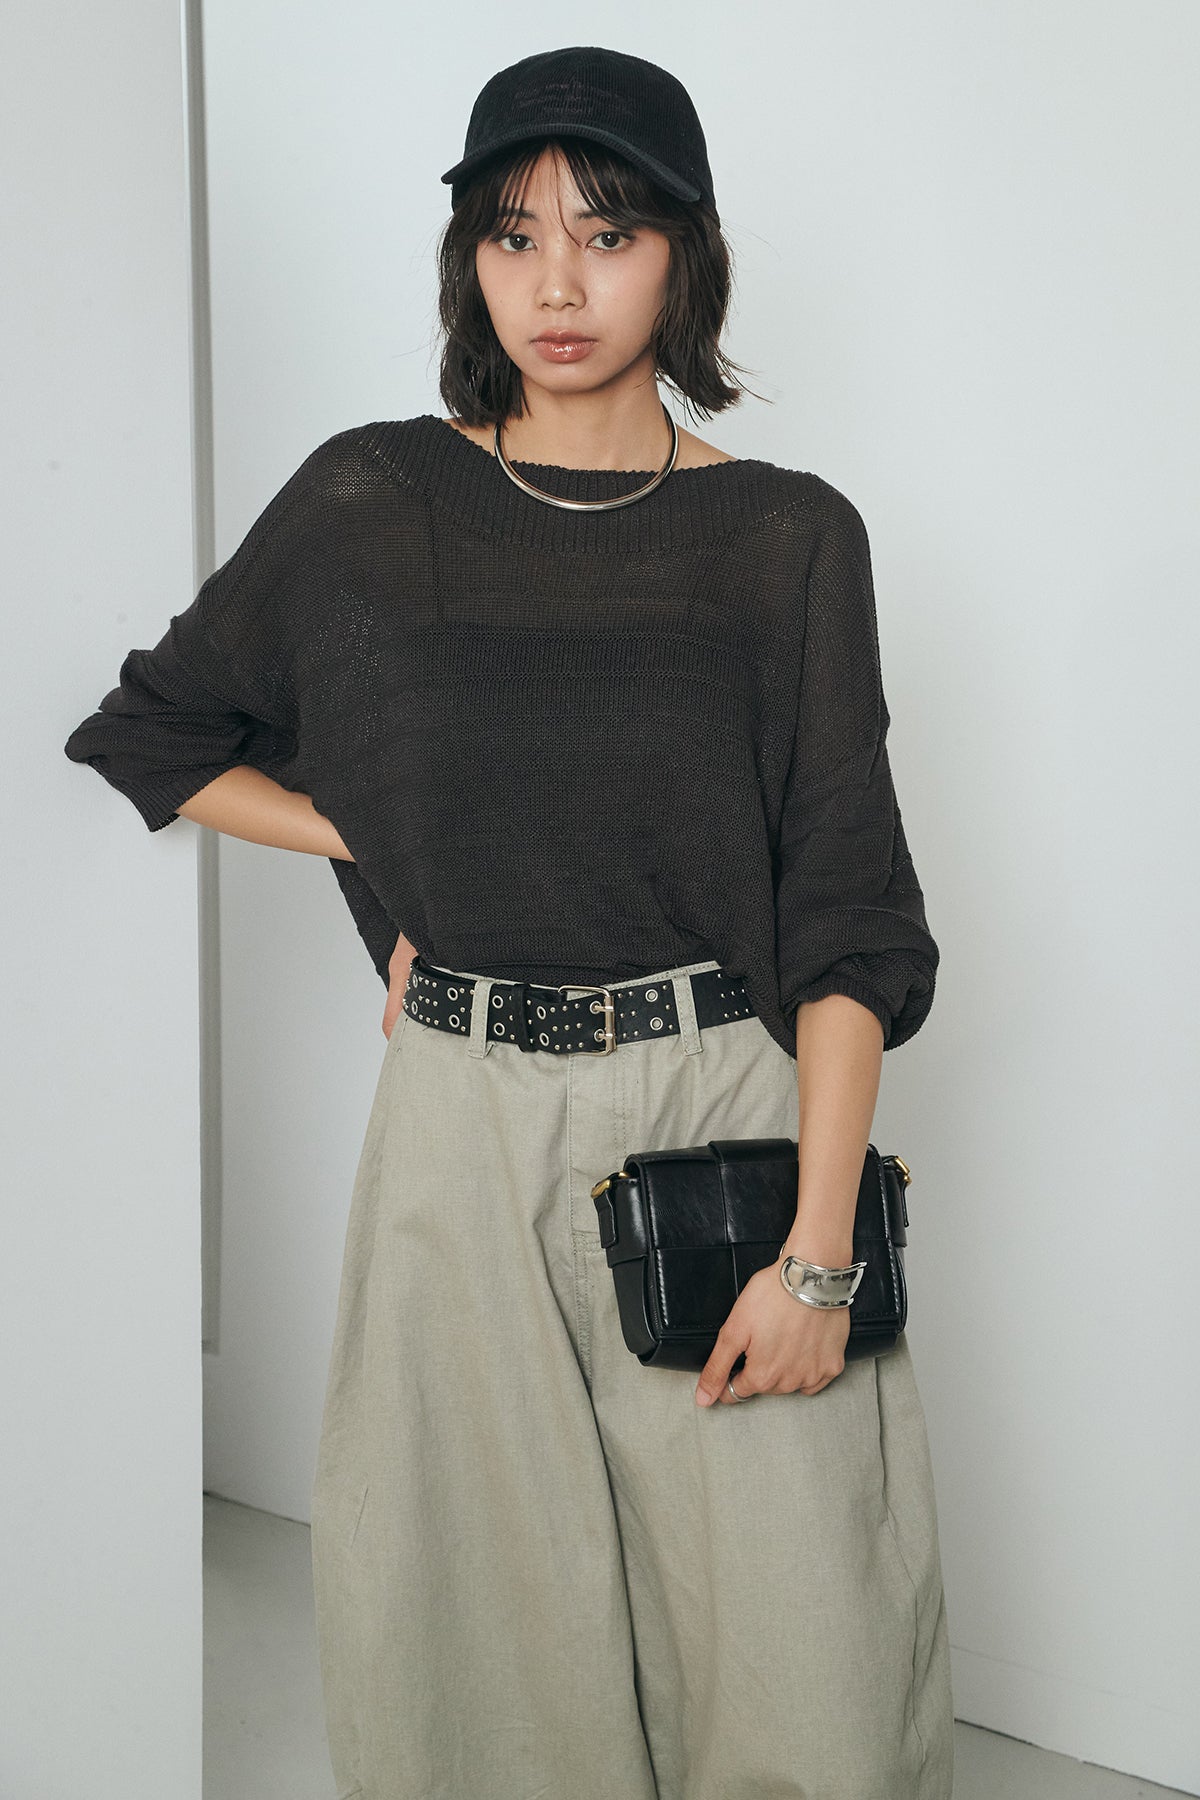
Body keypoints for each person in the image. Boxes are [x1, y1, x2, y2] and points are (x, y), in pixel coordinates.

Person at [63, 43, 954, 1800]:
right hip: (458, 1117)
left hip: (717, 1098)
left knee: (800, 1649)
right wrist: (387, 843)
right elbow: (156, 734)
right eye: (514, 234)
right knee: (473, 1646)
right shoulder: (372, 502)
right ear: (467, 259)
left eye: (609, 234)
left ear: (686, 256)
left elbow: (850, 911)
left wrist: (821, 1256)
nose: (558, 284)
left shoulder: (786, 538)